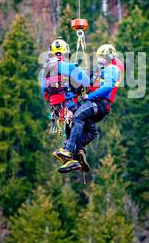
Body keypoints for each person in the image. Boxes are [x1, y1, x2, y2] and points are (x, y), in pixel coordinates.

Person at [56, 44, 123, 173]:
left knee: (78, 117)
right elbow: (92, 82)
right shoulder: (103, 72)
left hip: (98, 103)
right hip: (97, 105)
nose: (99, 60)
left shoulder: (113, 69)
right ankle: (76, 155)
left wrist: (89, 96)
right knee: (88, 130)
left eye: (101, 57)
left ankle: (68, 149)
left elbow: (106, 88)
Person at [41, 37, 92, 172]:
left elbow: (44, 94)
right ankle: (71, 150)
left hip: (58, 113)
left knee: (73, 131)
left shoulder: (45, 71)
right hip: (71, 106)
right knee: (91, 130)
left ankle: (74, 158)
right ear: (64, 54)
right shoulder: (68, 66)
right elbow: (86, 81)